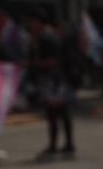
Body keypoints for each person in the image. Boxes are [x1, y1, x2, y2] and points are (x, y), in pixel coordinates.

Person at [27, 11, 77, 159]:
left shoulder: (46, 37)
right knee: (61, 112)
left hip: (53, 79)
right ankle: (66, 143)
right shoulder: (51, 36)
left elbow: (53, 59)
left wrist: (35, 64)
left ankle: (56, 144)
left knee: (55, 112)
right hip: (57, 78)